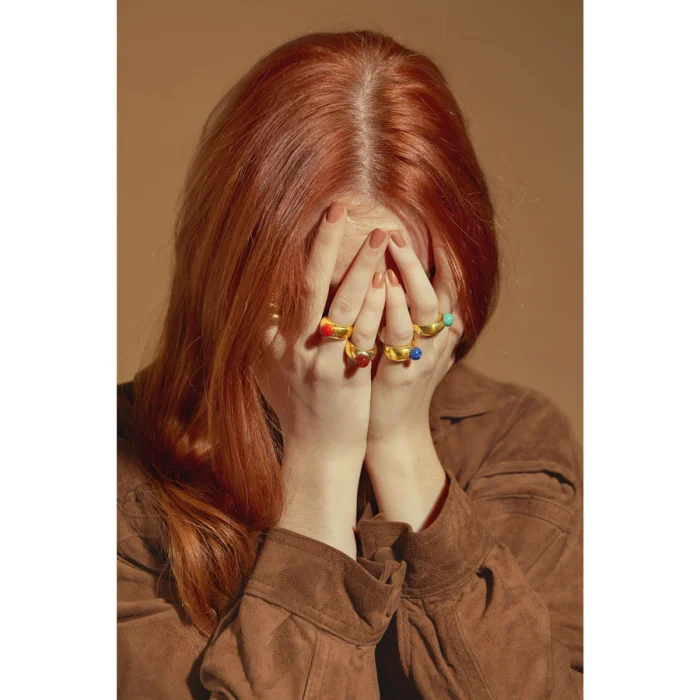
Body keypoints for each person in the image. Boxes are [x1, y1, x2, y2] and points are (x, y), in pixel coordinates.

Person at [117, 29, 583, 699]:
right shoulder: (116, 473)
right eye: (326, 298)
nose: (362, 335)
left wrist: (401, 447)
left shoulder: (515, 441)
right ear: (233, 277)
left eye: (399, 289)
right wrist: (321, 465)